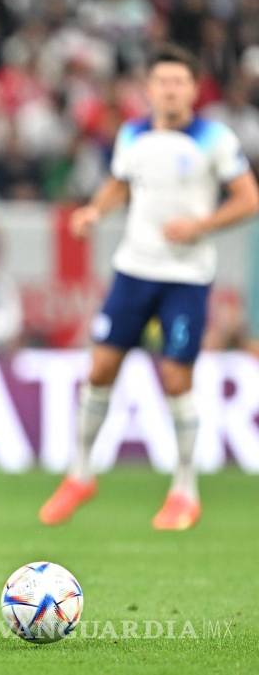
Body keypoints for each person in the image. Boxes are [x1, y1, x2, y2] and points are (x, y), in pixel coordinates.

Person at [39, 45, 259, 530]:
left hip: (186, 277)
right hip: (134, 269)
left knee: (176, 378)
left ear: (194, 89)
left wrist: (201, 226)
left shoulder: (214, 139)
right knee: (100, 368)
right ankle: (80, 474)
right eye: (162, 81)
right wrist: (95, 211)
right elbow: (120, 184)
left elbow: (249, 199)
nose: (170, 90)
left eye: (179, 82)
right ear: (150, 89)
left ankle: (184, 490)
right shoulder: (133, 133)